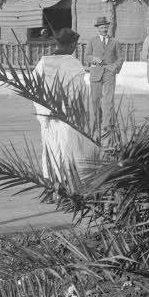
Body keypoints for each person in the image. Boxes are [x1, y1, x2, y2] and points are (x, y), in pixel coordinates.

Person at [31, 28, 95, 190]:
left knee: (52, 152)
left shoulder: (42, 63)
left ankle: (55, 189)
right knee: (69, 152)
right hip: (67, 118)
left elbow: (34, 90)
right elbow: (78, 94)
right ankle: (71, 190)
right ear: (72, 44)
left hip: (48, 117)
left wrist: (44, 113)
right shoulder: (72, 65)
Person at [86, 16, 123, 147]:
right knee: (95, 101)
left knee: (108, 101)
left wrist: (115, 68)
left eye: (106, 27)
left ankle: (107, 127)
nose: (104, 29)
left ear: (108, 28)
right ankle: (96, 126)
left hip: (109, 74)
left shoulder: (114, 42)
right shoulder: (92, 41)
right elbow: (87, 56)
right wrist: (95, 59)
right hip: (95, 74)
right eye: (102, 27)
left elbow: (120, 58)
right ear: (98, 29)